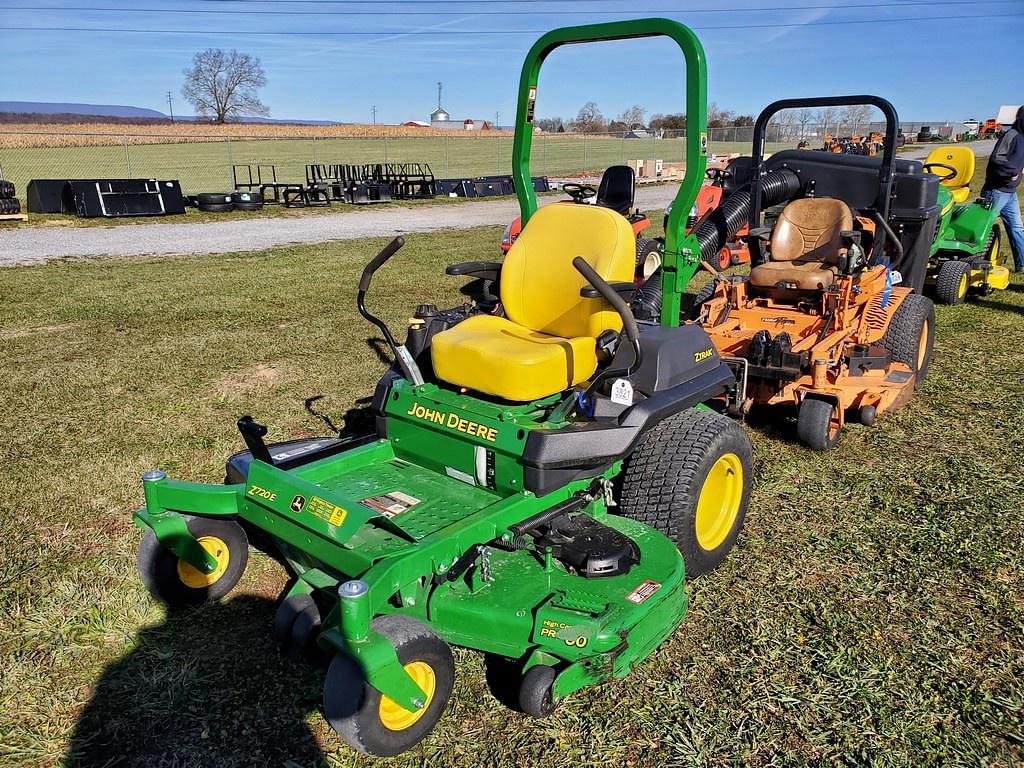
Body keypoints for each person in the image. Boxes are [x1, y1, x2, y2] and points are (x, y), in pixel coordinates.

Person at [982, 105, 1024, 272]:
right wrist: (1011, 173)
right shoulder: (1011, 135)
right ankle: (973, 262)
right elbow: (996, 160)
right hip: (996, 191)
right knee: (983, 228)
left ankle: (1022, 264)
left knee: (1017, 228)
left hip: (1010, 192)